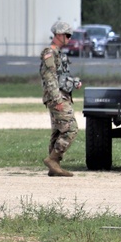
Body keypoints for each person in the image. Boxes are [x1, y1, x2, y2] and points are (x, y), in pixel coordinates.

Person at [40, 20, 81, 177]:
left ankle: (54, 166)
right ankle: (53, 159)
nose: (69, 39)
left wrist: (73, 82)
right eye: (67, 35)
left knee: (58, 131)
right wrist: (57, 100)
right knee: (71, 128)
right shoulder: (49, 53)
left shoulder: (58, 54)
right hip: (57, 98)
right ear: (58, 35)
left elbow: (60, 77)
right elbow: (50, 78)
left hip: (62, 95)